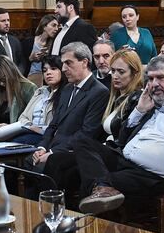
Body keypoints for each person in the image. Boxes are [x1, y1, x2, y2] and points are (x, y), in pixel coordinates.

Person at [75, 55, 164, 217]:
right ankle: (102, 188)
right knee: (81, 143)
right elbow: (121, 140)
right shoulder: (148, 102)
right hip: (126, 161)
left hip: (156, 177)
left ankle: (98, 228)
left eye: (160, 77)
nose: (154, 84)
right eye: (150, 79)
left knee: (95, 178)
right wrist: (139, 111)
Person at [30, 42, 109, 179]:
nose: (64, 68)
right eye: (63, 63)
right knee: (23, 163)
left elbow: (86, 133)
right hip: (54, 148)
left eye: (68, 63)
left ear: (84, 62)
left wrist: (53, 152)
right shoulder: (67, 89)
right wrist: (42, 148)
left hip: (72, 153)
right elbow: (53, 124)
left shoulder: (99, 92)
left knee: (45, 169)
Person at [1, 55, 63, 145]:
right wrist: (30, 126)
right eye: (45, 70)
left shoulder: (66, 93)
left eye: (53, 69)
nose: (48, 73)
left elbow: (60, 126)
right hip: (29, 131)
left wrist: (38, 129)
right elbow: (23, 117)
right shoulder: (40, 91)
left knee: (18, 142)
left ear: (62, 70)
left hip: (46, 135)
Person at [100, 47, 144, 140]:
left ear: (135, 73)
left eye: (121, 72)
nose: (115, 76)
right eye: (113, 71)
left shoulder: (139, 99)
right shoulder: (114, 96)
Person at [27, 13, 61, 85]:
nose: (56, 29)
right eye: (53, 25)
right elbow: (21, 62)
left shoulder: (54, 44)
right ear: (44, 26)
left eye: (57, 26)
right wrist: (31, 58)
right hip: (28, 76)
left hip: (44, 77)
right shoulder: (28, 41)